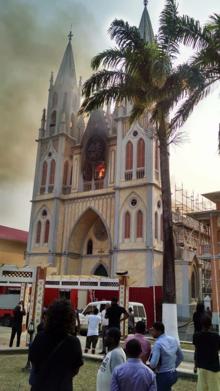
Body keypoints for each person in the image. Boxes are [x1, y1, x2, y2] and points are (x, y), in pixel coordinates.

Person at [29, 299, 83, 391]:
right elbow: (75, 370)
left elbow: (33, 361)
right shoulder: (74, 342)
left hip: (40, 386)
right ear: (70, 319)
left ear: (49, 316)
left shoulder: (40, 337)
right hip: (62, 386)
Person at [149, 321, 183, 391]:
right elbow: (181, 356)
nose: (151, 332)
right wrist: (173, 366)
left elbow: (153, 364)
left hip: (162, 375)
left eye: (153, 330)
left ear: (158, 331)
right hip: (173, 374)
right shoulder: (173, 340)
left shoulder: (158, 344)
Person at [193, 314, 220, 391]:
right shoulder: (216, 336)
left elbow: (196, 351)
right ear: (210, 324)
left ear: (201, 324)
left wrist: (195, 366)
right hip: (213, 369)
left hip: (201, 368)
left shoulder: (196, 336)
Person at [193, 302, 205, 373]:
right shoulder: (205, 315)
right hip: (203, 335)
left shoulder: (195, 314)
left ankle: (195, 366)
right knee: (203, 350)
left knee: (196, 351)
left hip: (196, 334)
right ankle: (202, 366)